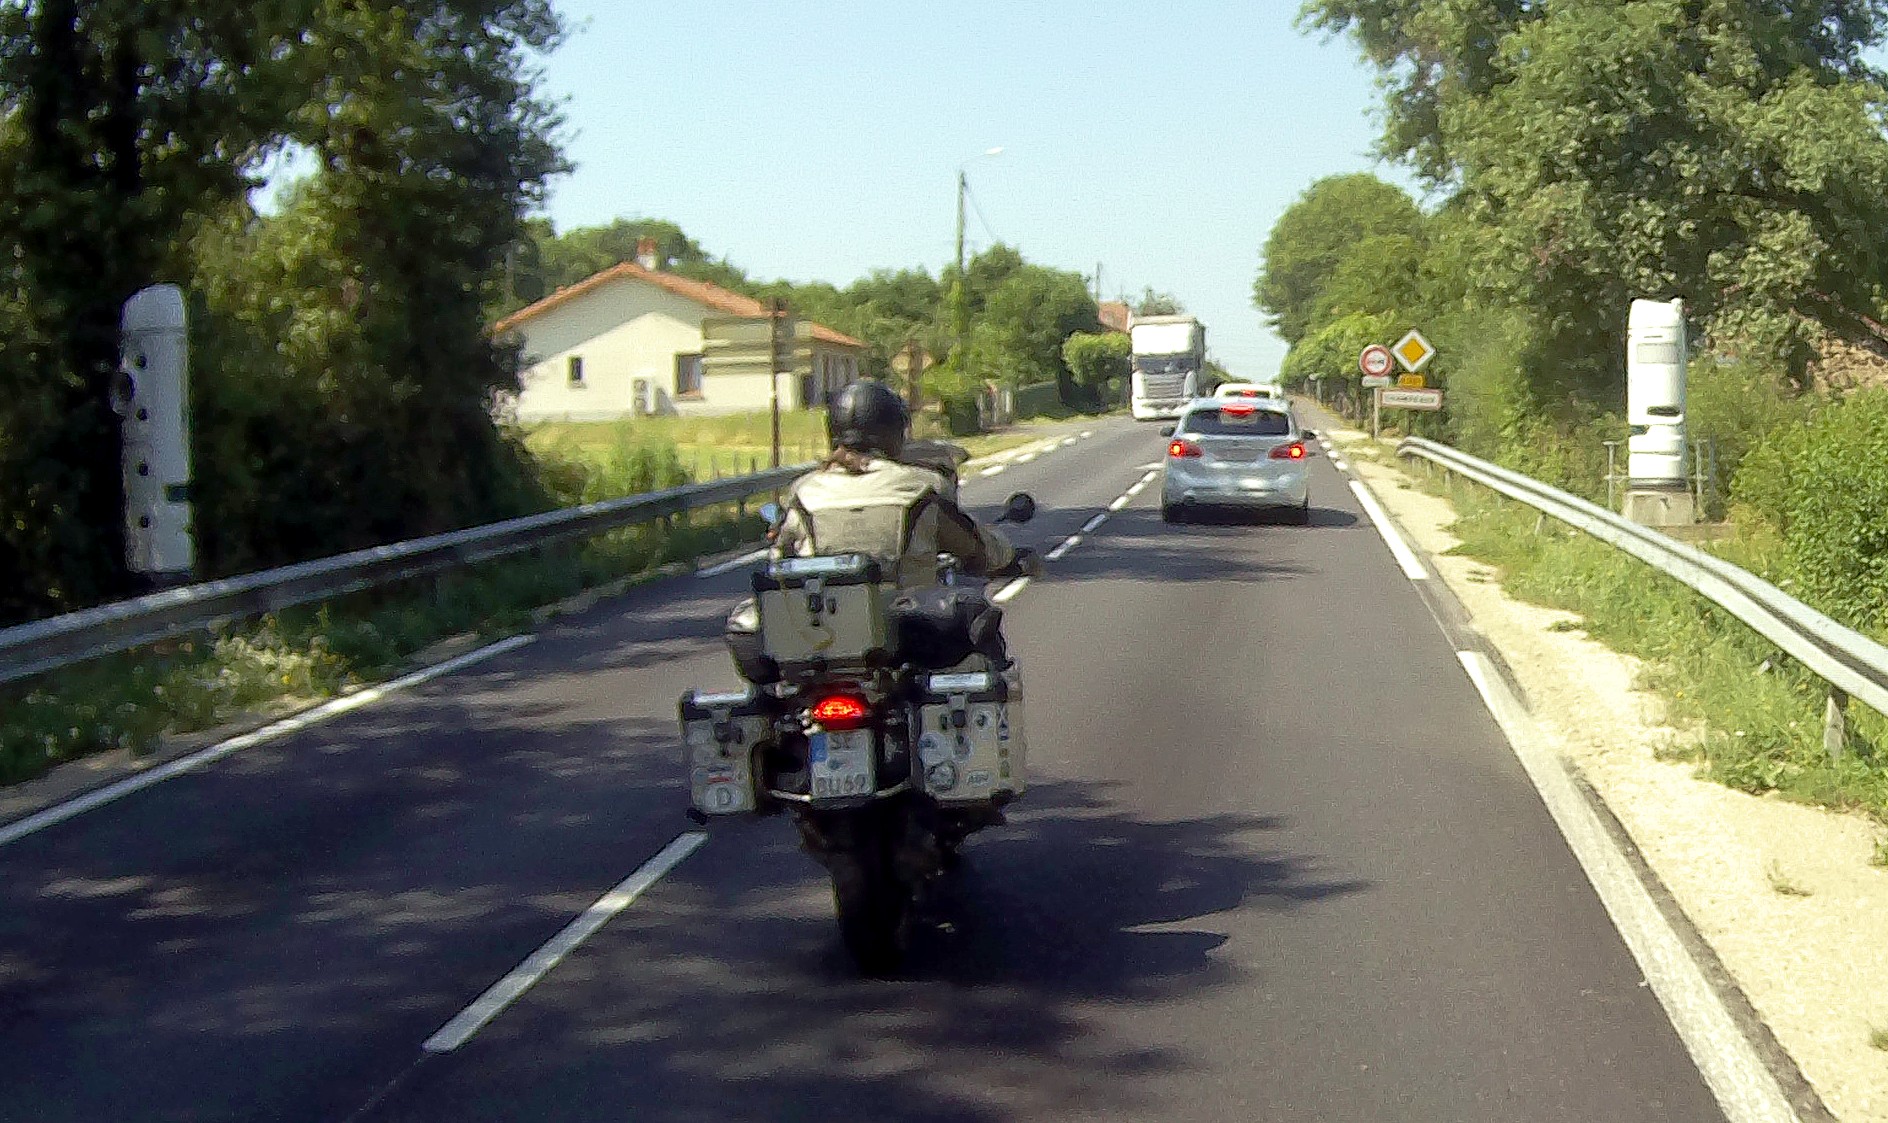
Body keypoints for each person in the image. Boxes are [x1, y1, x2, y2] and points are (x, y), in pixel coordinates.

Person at [725, 380, 1040, 682]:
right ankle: (985, 734)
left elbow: (780, 561)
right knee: (978, 622)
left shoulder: (803, 492)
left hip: (817, 636)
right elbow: (976, 548)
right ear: (894, 432)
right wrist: (1012, 559)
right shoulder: (919, 489)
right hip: (904, 632)